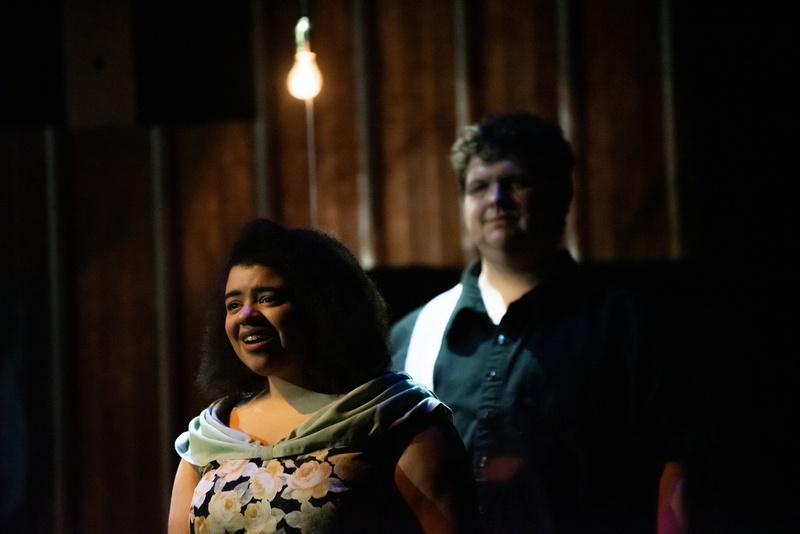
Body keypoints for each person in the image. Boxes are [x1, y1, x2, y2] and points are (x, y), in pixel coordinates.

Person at [391, 112, 684, 533]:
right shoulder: (414, 333)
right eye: (478, 186)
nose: (496, 197)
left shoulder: (628, 326)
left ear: (561, 195)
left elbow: (674, 468)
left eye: (515, 182)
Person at [169, 218, 479, 534]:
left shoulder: (397, 418)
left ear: (320, 308)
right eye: (233, 304)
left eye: (267, 299)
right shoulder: (210, 436)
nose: (246, 314)